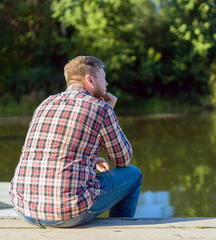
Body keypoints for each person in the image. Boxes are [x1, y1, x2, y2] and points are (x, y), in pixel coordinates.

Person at [9, 56, 142, 228]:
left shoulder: (45, 104)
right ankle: (118, 230)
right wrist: (110, 110)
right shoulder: (101, 109)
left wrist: (91, 160)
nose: (107, 83)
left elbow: (49, 150)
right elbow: (122, 161)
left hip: (24, 208)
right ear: (90, 79)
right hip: (67, 213)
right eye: (104, 77)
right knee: (133, 174)